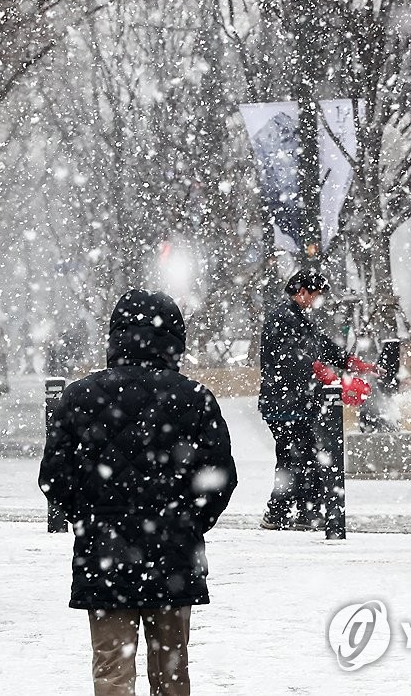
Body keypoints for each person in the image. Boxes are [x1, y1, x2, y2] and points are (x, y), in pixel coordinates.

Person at [39, 289, 237, 696]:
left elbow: (54, 477)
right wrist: (188, 523)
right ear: (174, 339)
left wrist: (89, 518)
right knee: (171, 671)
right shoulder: (195, 398)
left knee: (111, 668)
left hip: (104, 553)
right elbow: (219, 478)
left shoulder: (78, 397)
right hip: (173, 554)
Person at [258, 270, 373, 532]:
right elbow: (287, 357)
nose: (317, 300)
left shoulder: (297, 317)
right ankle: (284, 513)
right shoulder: (282, 317)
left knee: (303, 456)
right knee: (296, 457)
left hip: (295, 402)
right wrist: (319, 369)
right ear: (302, 292)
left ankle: (300, 513)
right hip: (283, 403)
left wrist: (347, 362)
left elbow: (319, 344)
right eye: (316, 294)